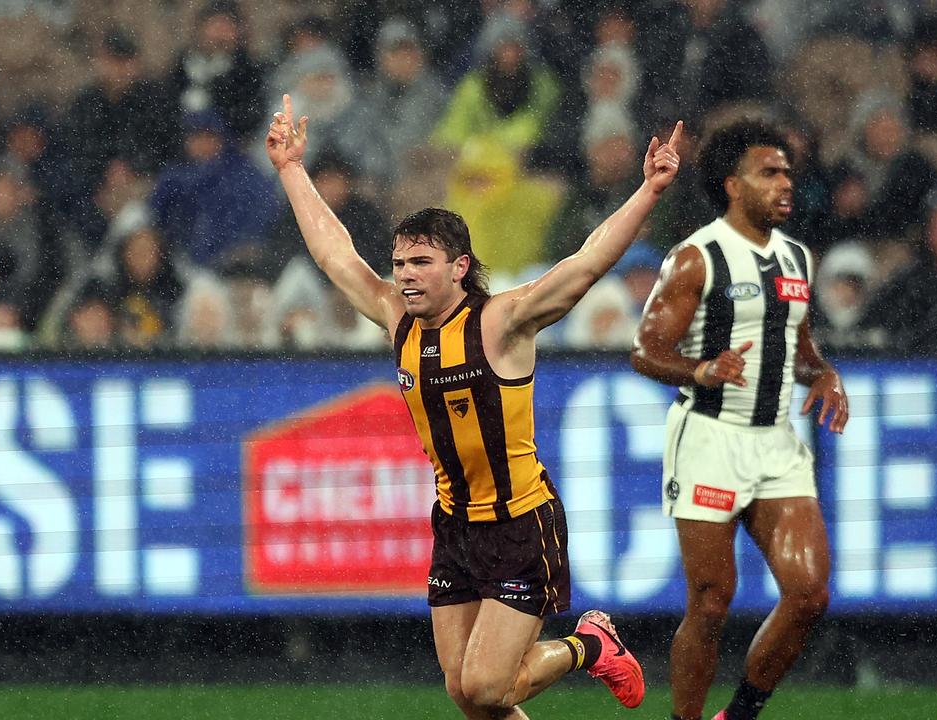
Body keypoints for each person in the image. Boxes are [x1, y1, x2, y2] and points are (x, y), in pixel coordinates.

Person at [266, 94, 682, 718]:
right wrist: (292, 170)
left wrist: (648, 190)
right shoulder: (397, 318)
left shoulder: (502, 322)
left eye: (421, 263)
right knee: (467, 694)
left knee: (490, 686)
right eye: (400, 262)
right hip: (454, 523)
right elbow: (335, 254)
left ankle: (588, 645)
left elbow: (586, 264)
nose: (404, 275)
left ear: (459, 267)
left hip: (520, 522)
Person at [630, 118, 850, 720]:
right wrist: (701, 371)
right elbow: (645, 351)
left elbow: (801, 352)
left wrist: (824, 373)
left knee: (808, 595)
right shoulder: (697, 258)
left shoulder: (797, 258)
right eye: (769, 173)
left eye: (787, 173)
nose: (786, 184)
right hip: (709, 438)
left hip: (776, 441)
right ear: (732, 185)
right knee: (710, 603)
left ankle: (742, 713)